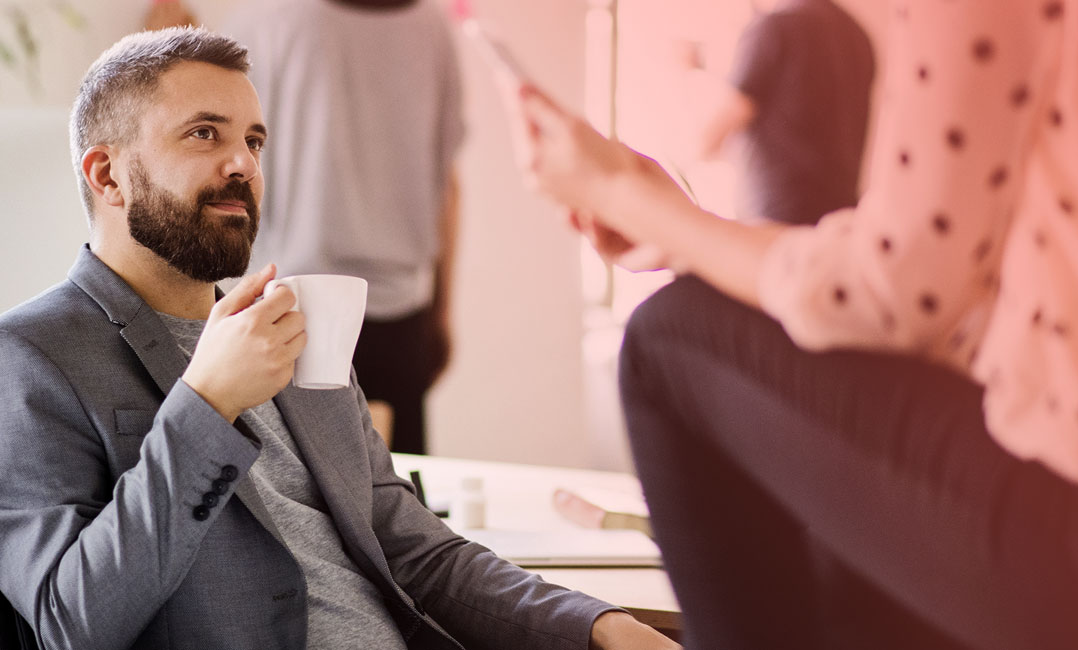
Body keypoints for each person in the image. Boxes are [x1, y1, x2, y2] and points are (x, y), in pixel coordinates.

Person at [509, 0, 1078, 648]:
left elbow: (898, 285)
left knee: (670, 335)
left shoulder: (774, 33)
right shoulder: (848, 33)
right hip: (828, 238)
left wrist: (621, 192)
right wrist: (692, 239)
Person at [0, 27, 675, 650]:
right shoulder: (31, 357)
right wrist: (205, 405)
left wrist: (601, 626)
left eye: (254, 142)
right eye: (205, 134)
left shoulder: (296, 332)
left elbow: (418, 552)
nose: (243, 164)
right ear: (107, 175)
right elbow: (70, 622)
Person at [221, 0, 466, 454]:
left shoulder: (265, 21)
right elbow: (446, 185)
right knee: (395, 488)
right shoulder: (433, 28)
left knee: (298, 489)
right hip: (401, 314)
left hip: (291, 307)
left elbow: (227, 168)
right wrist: (442, 311)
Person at [691, 0, 873, 225]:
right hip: (841, 220)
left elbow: (708, 140)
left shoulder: (773, 28)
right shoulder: (858, 36)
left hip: (778, 221)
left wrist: (689, 74)